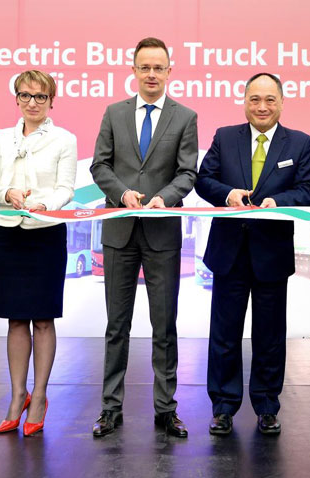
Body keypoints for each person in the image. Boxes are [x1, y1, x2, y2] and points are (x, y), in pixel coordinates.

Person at [195, 73, 310, 436]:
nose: (262, 106)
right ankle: (223, 406)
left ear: (281, 103)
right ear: (245, 102)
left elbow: (307, 189)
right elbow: (204, 180)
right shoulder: (225, 136)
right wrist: (227, 194)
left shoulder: (300, 142)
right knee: (224, 334)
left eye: (269, 99)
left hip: (271, 254)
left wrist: (279, 201)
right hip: (229, 251)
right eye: (255, 99)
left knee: (270, 335)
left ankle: (266, 406)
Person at [90, 37, 198, 438]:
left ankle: (166, 409)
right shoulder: (114, 113)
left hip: (162, 232)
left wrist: (162, 198)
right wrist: (122, 194)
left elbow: (188, 172)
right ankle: (110, 409)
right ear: (133, 70)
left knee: (164, 326)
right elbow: (100, 165)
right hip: (119, 231)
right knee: (116, 326)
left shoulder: (185, 117)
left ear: (170, 71)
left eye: (158, 67)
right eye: (145, 67)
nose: (151, 74)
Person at [0, 70, 77, 436]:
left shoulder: (64, 139)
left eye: (40, 96)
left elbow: (66, 189)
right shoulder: (2, 137)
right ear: (16, 99)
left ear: (52, 101)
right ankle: (17, 394)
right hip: (9, 233)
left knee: (43, 320)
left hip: (46, 233)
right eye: (25, 95)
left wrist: (43, 205)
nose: (32, 102)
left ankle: (39, 397)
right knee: (16, 319)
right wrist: (6, 194)